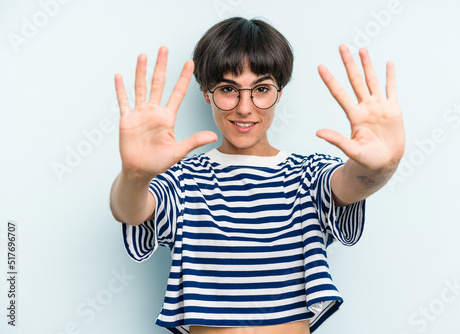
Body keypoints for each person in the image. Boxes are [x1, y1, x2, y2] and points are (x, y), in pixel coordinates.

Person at [110, 17, 404, 334]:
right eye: (227, 89)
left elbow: (352, 183)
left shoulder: (308, 175)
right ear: (207, 94)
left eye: (261, 89)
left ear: (279, 91)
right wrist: (136, 174)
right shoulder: (184, 181)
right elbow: (130, 209)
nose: (245, 108)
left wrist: (378, 168)